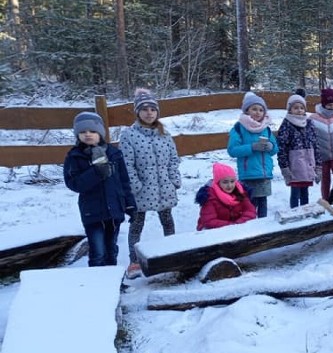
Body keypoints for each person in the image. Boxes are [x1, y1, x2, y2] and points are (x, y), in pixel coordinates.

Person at [121, 88, 181, 279]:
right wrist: (135, 185)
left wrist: (174, 179)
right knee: (137, 224)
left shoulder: (165, 134)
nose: (149, 112)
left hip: (164, 186)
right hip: (142, 189)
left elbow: (173, 158)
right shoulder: (129, 135)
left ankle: (173, 253)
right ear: (137, 112)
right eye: (144, 109)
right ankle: (134, 261)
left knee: (168, 221)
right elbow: (126, 164)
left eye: (152, 109)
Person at [64, 111, 136, 267]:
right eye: (83, 132)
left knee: (111, 250)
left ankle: (115, 284)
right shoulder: (75, 157)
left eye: (92, 131)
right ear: (77, 135)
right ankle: (97, 286)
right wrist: (96, 172)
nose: (88, 134)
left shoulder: (114, 153)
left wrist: (130, 205)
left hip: (114, 210)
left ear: (100, 133)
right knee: (98, 252)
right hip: (92, 213)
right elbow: (74, 183)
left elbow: (124, 181)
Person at [227, 91, 279, 218]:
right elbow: (233, 150)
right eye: (254, 109)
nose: (257, 112)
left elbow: (274, 149)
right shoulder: (239, 128)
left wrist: (270, 146)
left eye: (261, 110)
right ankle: (250, 229)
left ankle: (263, 229)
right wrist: (252, 147)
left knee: (263, 203)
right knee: (249, 205)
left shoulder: (266, 128)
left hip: (264, 173)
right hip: (248, 174)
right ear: (246, 110)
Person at [277, 93, 320, 208]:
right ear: (289, 109)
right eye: (295, 108)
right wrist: (285, 167)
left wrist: (318, 166)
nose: (299, 110)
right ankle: (294, 212)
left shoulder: (309, 124)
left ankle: (305, 211)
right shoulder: (286, 124)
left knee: (305, 192)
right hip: (294, 166)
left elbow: (316, 145)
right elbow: (281, 148)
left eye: (301, 108)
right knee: (295, 193)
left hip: (308, 165)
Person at [195, 163, 257, 230]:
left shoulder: (240, 192)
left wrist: (239, 223)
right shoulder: (209, 196)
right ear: (218, 183)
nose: (229, 185)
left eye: (232, 181)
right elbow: (209, 221)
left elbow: (250, 211)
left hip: (238, 227)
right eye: (225, 182)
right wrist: (231, 226)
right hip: (214, 231)